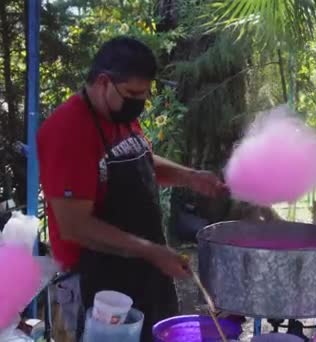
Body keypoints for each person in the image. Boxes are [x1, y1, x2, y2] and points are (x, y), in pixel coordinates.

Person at [37, 36, 226, 341]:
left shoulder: (118, 115)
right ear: (103, 82)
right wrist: (151, 251)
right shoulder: (68, 131)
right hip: (98, 289)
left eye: (144, 94)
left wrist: (191, 177)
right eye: (133, 93)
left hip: (144, 275)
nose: (139, 102)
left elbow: (141, 160)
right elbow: (75, 226)